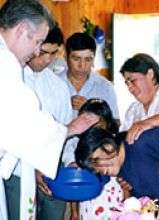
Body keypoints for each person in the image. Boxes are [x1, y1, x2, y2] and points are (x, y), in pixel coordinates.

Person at [0, 1, 98, 220]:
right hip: (20, 169)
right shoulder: (5, 64)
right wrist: (70, 129)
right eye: (37, 43)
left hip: (44, 167)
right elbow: (25, 121)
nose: (37, 52)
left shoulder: (11, 63)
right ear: (22, 30)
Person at [60, 32, 121, 220]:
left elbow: (115, 124)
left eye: (88, 60)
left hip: (94, 162)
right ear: (66, 56)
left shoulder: (104, 86)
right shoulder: (54, 83)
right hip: (58, 160)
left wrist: (91, 108)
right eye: (76, 59)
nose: (82, 66)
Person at [23, 24, 72, 220]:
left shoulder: (58, 87)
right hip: (18, 171)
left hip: (52, 172)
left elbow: (67, 131)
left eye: (53, 54)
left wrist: (71, 161)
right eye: (42, 52)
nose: (46, 60)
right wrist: (31, 167)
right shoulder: (12, 79)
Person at [69, 98, 124, 220]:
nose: (91, 127)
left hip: (113, 204)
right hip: (88, 206)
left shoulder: (117, 148)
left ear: (108, 123)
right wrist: (74, 212)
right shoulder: (83, 149)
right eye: (86, 123)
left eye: (97, 123)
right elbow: (76, 185)